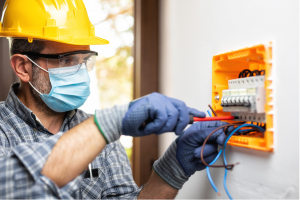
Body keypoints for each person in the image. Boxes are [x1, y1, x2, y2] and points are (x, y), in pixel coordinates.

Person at [0, 0, 228, 199]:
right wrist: (108, 124)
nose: (81, 72)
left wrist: (172, 170)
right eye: (67, 60)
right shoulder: (100, 130)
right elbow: (10, 184)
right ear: (23, 67)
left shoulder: (102, 139)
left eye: (84, 59)